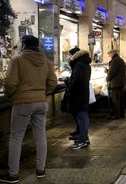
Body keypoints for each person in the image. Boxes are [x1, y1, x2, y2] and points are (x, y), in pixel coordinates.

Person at [1, 35, 57, 183]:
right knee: (40, 136)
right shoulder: (45, 60)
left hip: (22, 102)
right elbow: (53, 81)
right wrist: (43, 93)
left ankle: (13, 174)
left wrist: (10, 95)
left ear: (23, 45)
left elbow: (10, 82)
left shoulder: (17, 59)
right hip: (41, 102)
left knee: (16, 137)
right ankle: (40, 170)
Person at [65, 47, 92, 150]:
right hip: (83, 94)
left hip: (78, 95)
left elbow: (76, 82)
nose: (69, 57)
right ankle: (84, 138)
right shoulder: (85, 65)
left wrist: (68, 83)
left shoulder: (79, 66)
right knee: (83, 117)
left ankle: (82, 141)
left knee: (82, 117)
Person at [106, 49, 126, 119]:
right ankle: (121, 114)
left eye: (109, 54)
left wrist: (107, 78)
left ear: (112, 53)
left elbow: (112, 72)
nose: (109, 56)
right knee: (121, 99)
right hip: (121, 82)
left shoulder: (115, 61)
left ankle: (117, 115)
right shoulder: (120, 60)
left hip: (116, 83)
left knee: (116, 100)